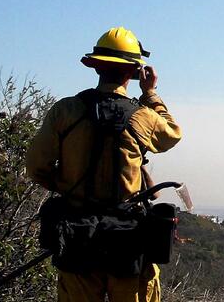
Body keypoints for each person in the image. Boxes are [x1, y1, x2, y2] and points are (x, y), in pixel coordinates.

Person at [26, 27, 182, 302]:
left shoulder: (66, 110)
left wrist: (67, 185)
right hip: (128, 243)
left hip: (76, 239)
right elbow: (172, 134)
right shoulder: (144, 117)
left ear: (96, 66)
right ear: (134, 71)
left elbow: (37, 166)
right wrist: (150, 94)